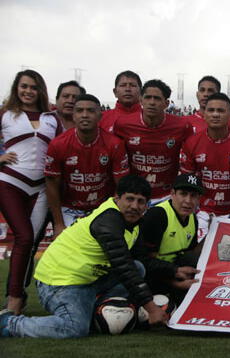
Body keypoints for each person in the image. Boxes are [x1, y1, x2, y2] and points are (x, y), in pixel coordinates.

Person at [0, 175, 168, 338]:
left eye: (140, 202)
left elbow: (139, 262)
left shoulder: (134, 223)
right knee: (75, 328)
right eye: (129, 199)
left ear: (147, 205)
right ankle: (9, 323)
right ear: (117, 198)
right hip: (59, 282)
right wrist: (152, 309)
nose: (134, 206)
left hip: (87, 280)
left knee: (138, 267)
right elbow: (123, 266)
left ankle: (99, 313)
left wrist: (174, 271)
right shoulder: (108, 220)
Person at [0, 69, 62, 314]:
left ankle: (17, 295)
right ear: (16, 88)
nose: (28, 91)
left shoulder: (52, 118)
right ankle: (14, 299)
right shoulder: (6, 114)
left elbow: (58, 151)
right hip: (10, 181)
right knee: (24, 237)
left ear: (40, 90)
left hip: (42, 187)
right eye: (23, 86)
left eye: (33, 87)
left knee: (30, 242)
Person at [45, 94, 130, 238]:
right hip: (70, 209)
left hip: (103, 207)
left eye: (90, 111)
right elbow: (51, 185)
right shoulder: (58, 144)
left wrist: (113, 214)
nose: (85, 115)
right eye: (79, 111)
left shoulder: (114, 144)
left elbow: (121, 185)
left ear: (100, 116)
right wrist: (58, 223)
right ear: (73, 115)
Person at [180, 93, 230, 241]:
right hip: (204, 210)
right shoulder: (192, 143)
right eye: (211, 110)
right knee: (194, 250)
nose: (215, 114)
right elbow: (188, 180)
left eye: (221, 111)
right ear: (204, 114)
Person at [113, 79, 192, 205]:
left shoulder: (182, 126)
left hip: (167, 195)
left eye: (157, 98)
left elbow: (190, 156)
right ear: (141, 100)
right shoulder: (123, 124)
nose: (151, 102)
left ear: (166, 103)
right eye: (148, 97)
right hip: (135, 195)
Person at [137, 174, 202, 300]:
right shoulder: (157, 215)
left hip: (175, 271)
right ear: (172, 193)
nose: (188, 201)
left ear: (199, 199)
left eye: (193, 196)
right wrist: (175, 283)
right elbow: (143, 262)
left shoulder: (193, 218)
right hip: (152, 277)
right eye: (183, 194)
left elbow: (190, 254)